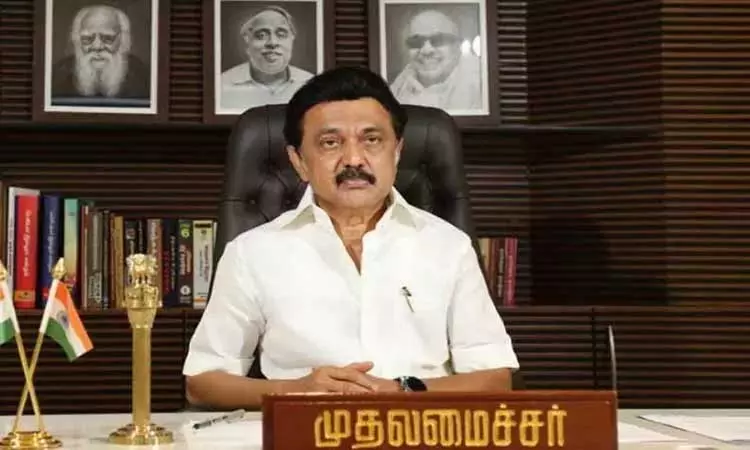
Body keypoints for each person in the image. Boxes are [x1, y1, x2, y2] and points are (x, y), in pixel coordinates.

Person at [183, 66, 519, 410]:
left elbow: (494, 377)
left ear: (397, 152)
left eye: (371, 140)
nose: (354, 159)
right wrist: (297, 390)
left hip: (419, 427)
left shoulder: (449, 246)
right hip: (302, 428)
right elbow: (203, 382)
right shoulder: (252, 252)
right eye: (330, 143)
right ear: (298, 161)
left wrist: (401, 390)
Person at [219, 6, 314, 111]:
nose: (272, 43)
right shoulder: (221, 85)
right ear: (247, 42)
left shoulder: (311, 84)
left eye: (281, 34)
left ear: (292, 40)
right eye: (261, 35)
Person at [51, 5, 149, 102]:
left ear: (122, 39)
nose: (97, 46)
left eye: (107, 38)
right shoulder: (59, 75)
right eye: (87, 38)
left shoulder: (142, 76)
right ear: (77, 40)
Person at [390, 9, 483, 111]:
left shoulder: (481, 85)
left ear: (457, 46)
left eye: (438, 40)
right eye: (416, 42)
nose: (426, 50)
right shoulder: (398, 86)